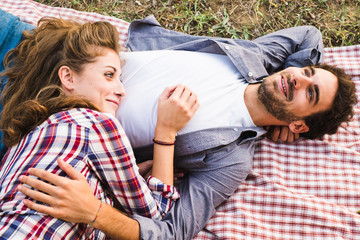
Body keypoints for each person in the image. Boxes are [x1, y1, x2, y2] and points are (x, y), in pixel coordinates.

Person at [17, 15, 357, 240]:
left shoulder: (231, 160)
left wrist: (95, 212)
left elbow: (173, 231)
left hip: (36, 114)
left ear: (299, 124)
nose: (297, 78)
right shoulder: (257, 58)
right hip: (49, 50)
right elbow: (308, 35)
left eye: (309, 93)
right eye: (307, 73)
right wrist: (296, 84)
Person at [0, 16, 199, 239]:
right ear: (68, 77)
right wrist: (166, 131)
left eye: (120, 79)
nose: (122, 90)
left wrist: (114, 190)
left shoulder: (22, 141)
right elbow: (157, 218)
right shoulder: (95, 123)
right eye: (109, 75)